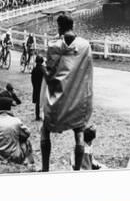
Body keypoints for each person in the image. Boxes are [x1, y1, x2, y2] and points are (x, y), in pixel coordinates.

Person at [39, 14, 94, 172]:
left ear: (60, 27)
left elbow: (49, 77)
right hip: (78, 101)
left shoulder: (54, 46)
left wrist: (41, 66)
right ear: (73, 25)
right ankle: (76, 170)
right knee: (79, 133)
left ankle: (45, 169)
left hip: (58, 102)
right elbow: (87, 73)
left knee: (45, 129)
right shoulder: (85, 46)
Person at [0, 97, 34, 165]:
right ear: (9, 108)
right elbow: (27, 134)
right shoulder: (16, 121)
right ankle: (31, 163)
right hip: (14, 157)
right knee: (27, 142)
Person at [31, 56, 45, 121]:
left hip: (36, 87)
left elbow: (32, 79)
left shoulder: (34, 69)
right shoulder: (43, 69)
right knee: (44, 101)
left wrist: (34, 85)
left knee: (37, 102)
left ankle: (37, 116)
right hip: (42, 87)